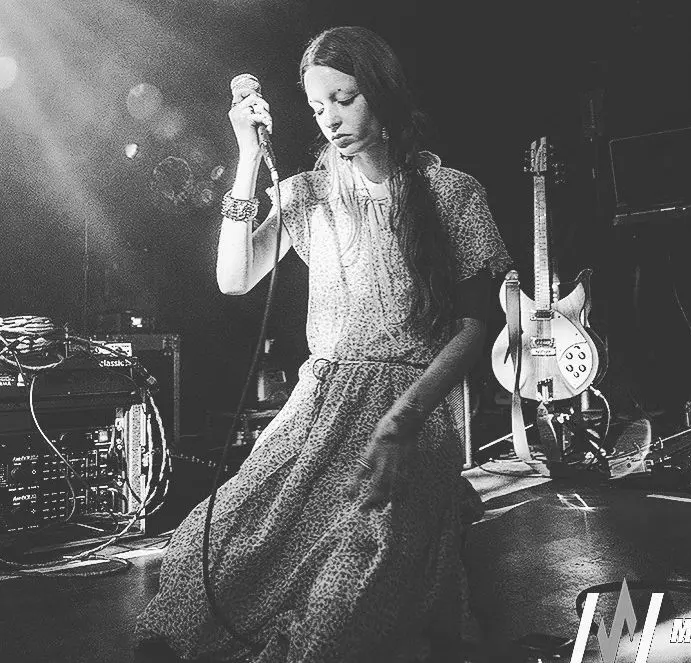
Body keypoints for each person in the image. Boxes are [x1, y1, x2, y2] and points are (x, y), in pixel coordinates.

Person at [135, 25, 512, 663]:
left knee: (347, 596)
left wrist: (403, 420)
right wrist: (247, 157)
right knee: (210, 552)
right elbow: (233, 278)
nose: (331, 120)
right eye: (317, 107)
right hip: (319, 406)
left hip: (409, 410)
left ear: (382, 95)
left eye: (344, 99)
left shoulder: (451, 192)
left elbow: (477, 325)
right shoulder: (308, 195)